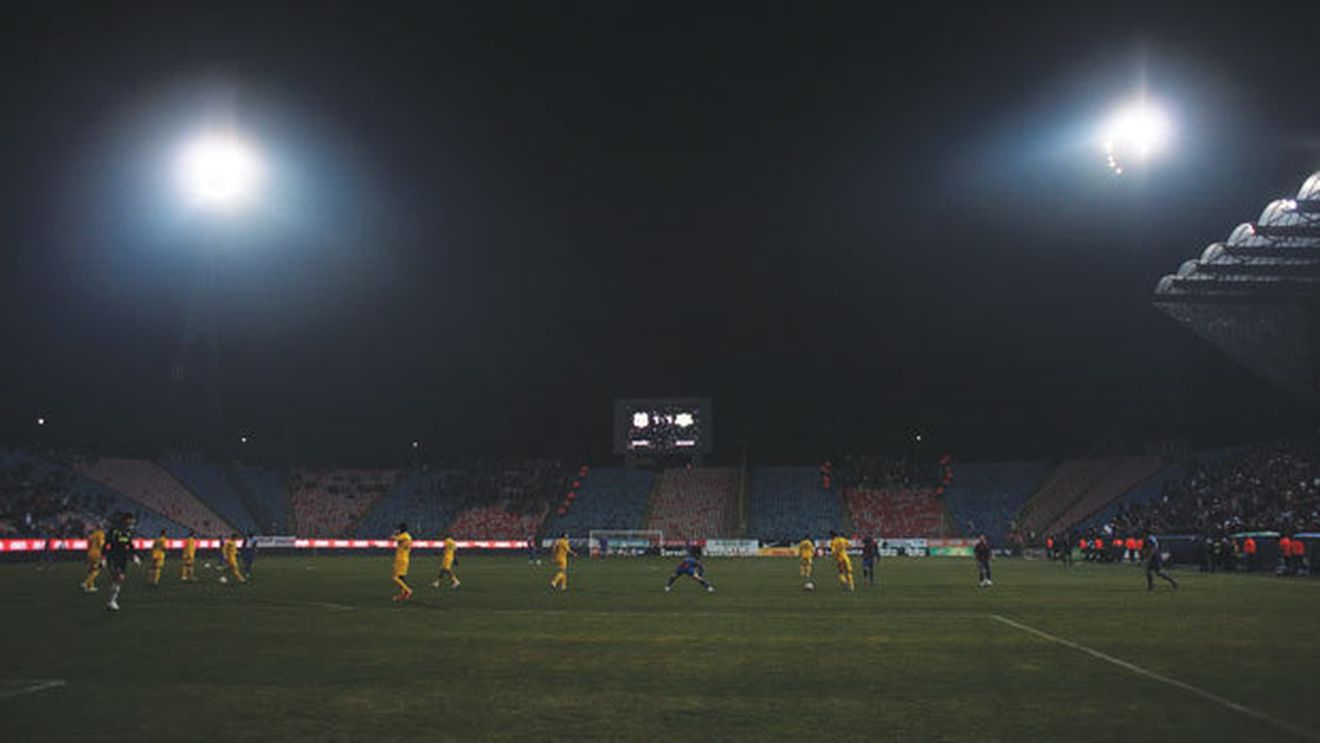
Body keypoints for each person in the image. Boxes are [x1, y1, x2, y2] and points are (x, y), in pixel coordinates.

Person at [103, 512, 137, 611]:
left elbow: (130, 544)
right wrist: (103, 557)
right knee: (119, 577)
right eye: (131, 519)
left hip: (123, 558)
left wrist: (134, 555)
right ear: (126, 520)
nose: (132, 521)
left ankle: (111, 601)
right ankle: (112, 601)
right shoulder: (115, 530)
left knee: (119, 580)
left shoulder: (129, 532)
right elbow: (106, 543)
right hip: (113, 556)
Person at [391, 523, 413, 602]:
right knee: (401, 578)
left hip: (400, 559)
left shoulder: (403, 536)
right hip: (406, 558)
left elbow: (392, 538)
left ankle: (408, 590)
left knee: (395, 578)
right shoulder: (409, 536)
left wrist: (395, 533)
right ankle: (403, 595)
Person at [82, 522, 105, 593]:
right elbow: (101, 544)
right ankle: (88, 584)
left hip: (90, 552)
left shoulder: (94, 534)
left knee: (90, 569)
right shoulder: (100, 534)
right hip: (96, 553)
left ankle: (88, 583)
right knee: (96, 570)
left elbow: (89, 542)